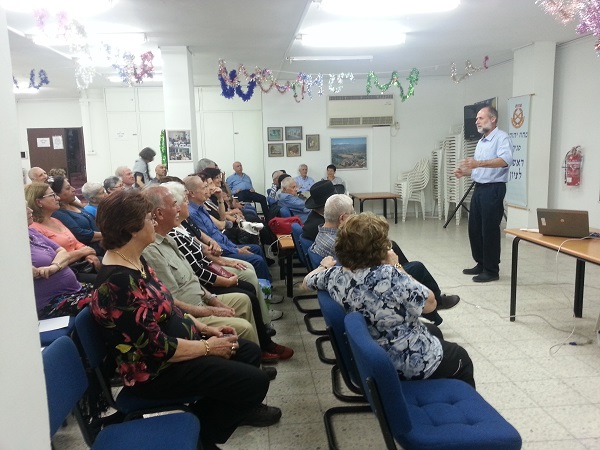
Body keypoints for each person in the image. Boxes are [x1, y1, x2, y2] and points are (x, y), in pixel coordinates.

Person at [91, 189, 281, 449]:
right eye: (149, 218)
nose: (154, 222)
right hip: (156, 373)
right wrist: (208, 347)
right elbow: (157, 349)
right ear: (131, 229)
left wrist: (204, 328)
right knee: (254, 382)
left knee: (247, 351)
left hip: (175, 348)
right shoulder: (118, 283)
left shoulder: (135, 260)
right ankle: (203, 437)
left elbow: (168, 305)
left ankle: (201, 428)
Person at [304, 212, 475, 388]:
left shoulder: (334, 276)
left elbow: (306, 281)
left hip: (368, 349)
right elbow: (431, 305)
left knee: (434, 331)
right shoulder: (389, 276)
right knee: (460, 355)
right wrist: (397, 266)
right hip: (401, 361)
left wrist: (324, 266)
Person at [161, 181, 293, 361]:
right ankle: (261, 338)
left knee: (249, 272)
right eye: (181, 201)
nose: (183, 205)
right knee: (249, 274)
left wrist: (225, 259)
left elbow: (207, 244)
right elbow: (196, 270)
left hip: (214, 263)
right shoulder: (173, 233)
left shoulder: (184, 223)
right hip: (202, 287)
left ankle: (263, 328)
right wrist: (223, 281)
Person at [311, 194, 460, 325]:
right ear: (343, 218)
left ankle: (429, 308)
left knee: (391, 246)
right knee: (417, 267)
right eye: (353, 212)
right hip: (367, 280)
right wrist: (395, 266)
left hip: (356, 275)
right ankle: (434, 305)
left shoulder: (324, 233)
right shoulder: (339, 241)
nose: (356, 215)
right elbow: (361, 264)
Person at [454, 105, 513, 283]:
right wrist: (466, 172)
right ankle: (481, 263)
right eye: (477, 119)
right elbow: (480, 168)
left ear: (492, 119)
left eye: (480, 118)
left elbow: (504, 161)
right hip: (479, 188)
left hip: (493, 189)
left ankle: (491, 269)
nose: (477, 121)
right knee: (475, 229)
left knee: (489, 230)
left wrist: (477, 164)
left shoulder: (502, 138)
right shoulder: (481, 141)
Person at [185, 175, 272, 281]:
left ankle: (266, 283)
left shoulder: (201, 207)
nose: (207, 190)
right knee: (257, 260)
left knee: (256, 248)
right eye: (204, 187)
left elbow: (217, 232)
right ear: (192, 193)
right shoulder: (193, 213)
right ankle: (264, 287)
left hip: (225, 243)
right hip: (220, 252)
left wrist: (235, 248)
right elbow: (212, 241)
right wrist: (236, 250)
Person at [27, 205, 93, 319]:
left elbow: (62, 252)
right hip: (52, 302)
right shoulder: (11, 249)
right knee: (104, 303)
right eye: (25, 208)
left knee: (112, 291)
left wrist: (54, 267)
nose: (30, 210)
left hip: (75, 289)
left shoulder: (31, 232)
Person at [26, 182, 101, 273]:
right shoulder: (34, 229)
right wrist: (82, 253)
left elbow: (76, 243)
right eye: (52, 195)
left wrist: (89, 255)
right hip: (65, 269)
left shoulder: (55, 220)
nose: (58, 198)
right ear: (39, 202)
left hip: (81, 263)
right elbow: (51, 257)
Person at [49, 177, 104, 256]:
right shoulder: (58, 213)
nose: (73, 189)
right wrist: (107, 235)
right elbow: (79, 234)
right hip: (91, 252)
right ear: (57, 194)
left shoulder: (76, 206)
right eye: (68, 188)